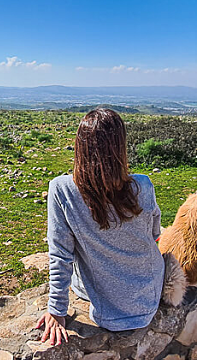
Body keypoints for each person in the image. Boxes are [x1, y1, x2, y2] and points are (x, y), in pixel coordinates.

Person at [35, 108, 165, 345]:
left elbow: (60, 255)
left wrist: (56, 310)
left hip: (106, 303)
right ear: (120, 147)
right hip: (150, 294)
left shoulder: (63, 190)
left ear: (80, 147)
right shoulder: (143, 185)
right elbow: (155, 233)